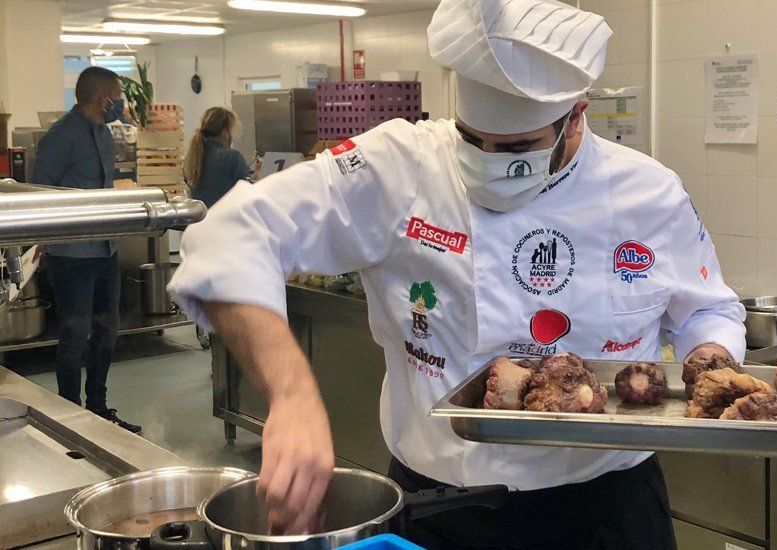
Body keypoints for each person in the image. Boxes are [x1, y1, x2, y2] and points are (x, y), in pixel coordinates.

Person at [169, 0, 745, 547]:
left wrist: (712, 363)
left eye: (516, 147)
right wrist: (292, 395)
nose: (489, 161)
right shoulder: (399, 165)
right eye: (474, 141)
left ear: (575, 118)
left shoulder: (649, 192)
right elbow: (231, 234)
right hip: (441, 510)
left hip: (606, 508)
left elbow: (707, 310)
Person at [32, 66, 141, 434]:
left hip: (105, 249)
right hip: (72, 256)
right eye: (117, 96)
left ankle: (97, 408)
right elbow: (39, 194)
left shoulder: (105, 135)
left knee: (107, 329)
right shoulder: (60, 138)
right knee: (75, 334)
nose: (121, 104)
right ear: (103, 98)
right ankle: (71, 417)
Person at [185, 107, 251, 208]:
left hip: (202, 220)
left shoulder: (190, 160)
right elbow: (248, 194)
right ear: (226, 132)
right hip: (228, 219)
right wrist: (257, 177)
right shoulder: (233, 158)